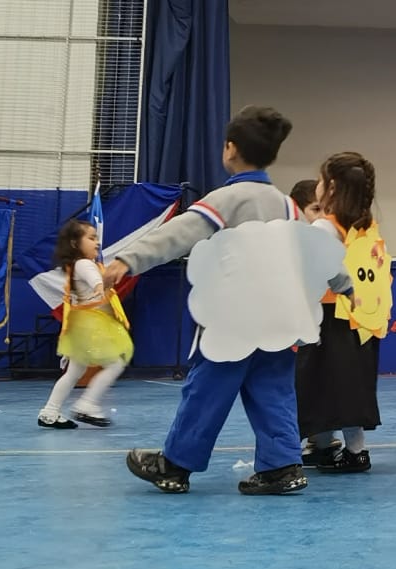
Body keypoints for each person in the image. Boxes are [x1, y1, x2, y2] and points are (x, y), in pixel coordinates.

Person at [113, 106, 331, 495]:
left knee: (206, 390)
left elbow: (177, 234)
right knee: (274, 389)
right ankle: (282, 467)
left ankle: (175, 464)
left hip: (233, 320)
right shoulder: (287, 205)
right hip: (281, 319)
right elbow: (316, 251)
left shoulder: (227, 200)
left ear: (230, 149)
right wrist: (344, 282)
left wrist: (125, 260)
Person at [296, 152, 388, 473]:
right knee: (349, 383)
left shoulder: (324, 226)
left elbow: (309, 269)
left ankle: (350, 451)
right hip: (362, 319)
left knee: (321, 383)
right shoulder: (367, 228)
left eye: (321, 180)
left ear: (331, 187)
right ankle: (339, 447)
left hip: (329, 315)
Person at [35, 220, 130, 430]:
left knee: (74, 372)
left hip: (80, 325)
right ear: (75, 243)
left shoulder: (76, 265)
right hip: (91, 325)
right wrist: (100, 286)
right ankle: (87, 404)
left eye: (97, 238)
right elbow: (97, 281)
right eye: (91, 238)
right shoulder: (86, 265)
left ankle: (50, 411)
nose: (97, 242)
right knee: (116, 364)